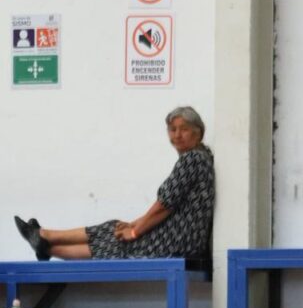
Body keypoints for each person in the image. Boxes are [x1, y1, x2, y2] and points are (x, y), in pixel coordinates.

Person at [14, 106, 214, 262]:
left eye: (184, 129)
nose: (177, 135)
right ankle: (43, 239)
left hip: (179, 241)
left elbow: (164, 206)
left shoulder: (192, 159)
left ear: (198, 133)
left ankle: (43, 240)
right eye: (172, 129)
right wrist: (134, 224)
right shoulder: (203, 157)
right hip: (183, 238)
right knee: (115, 229)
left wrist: (135, 231)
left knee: (118, 240)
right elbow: (168, 205)